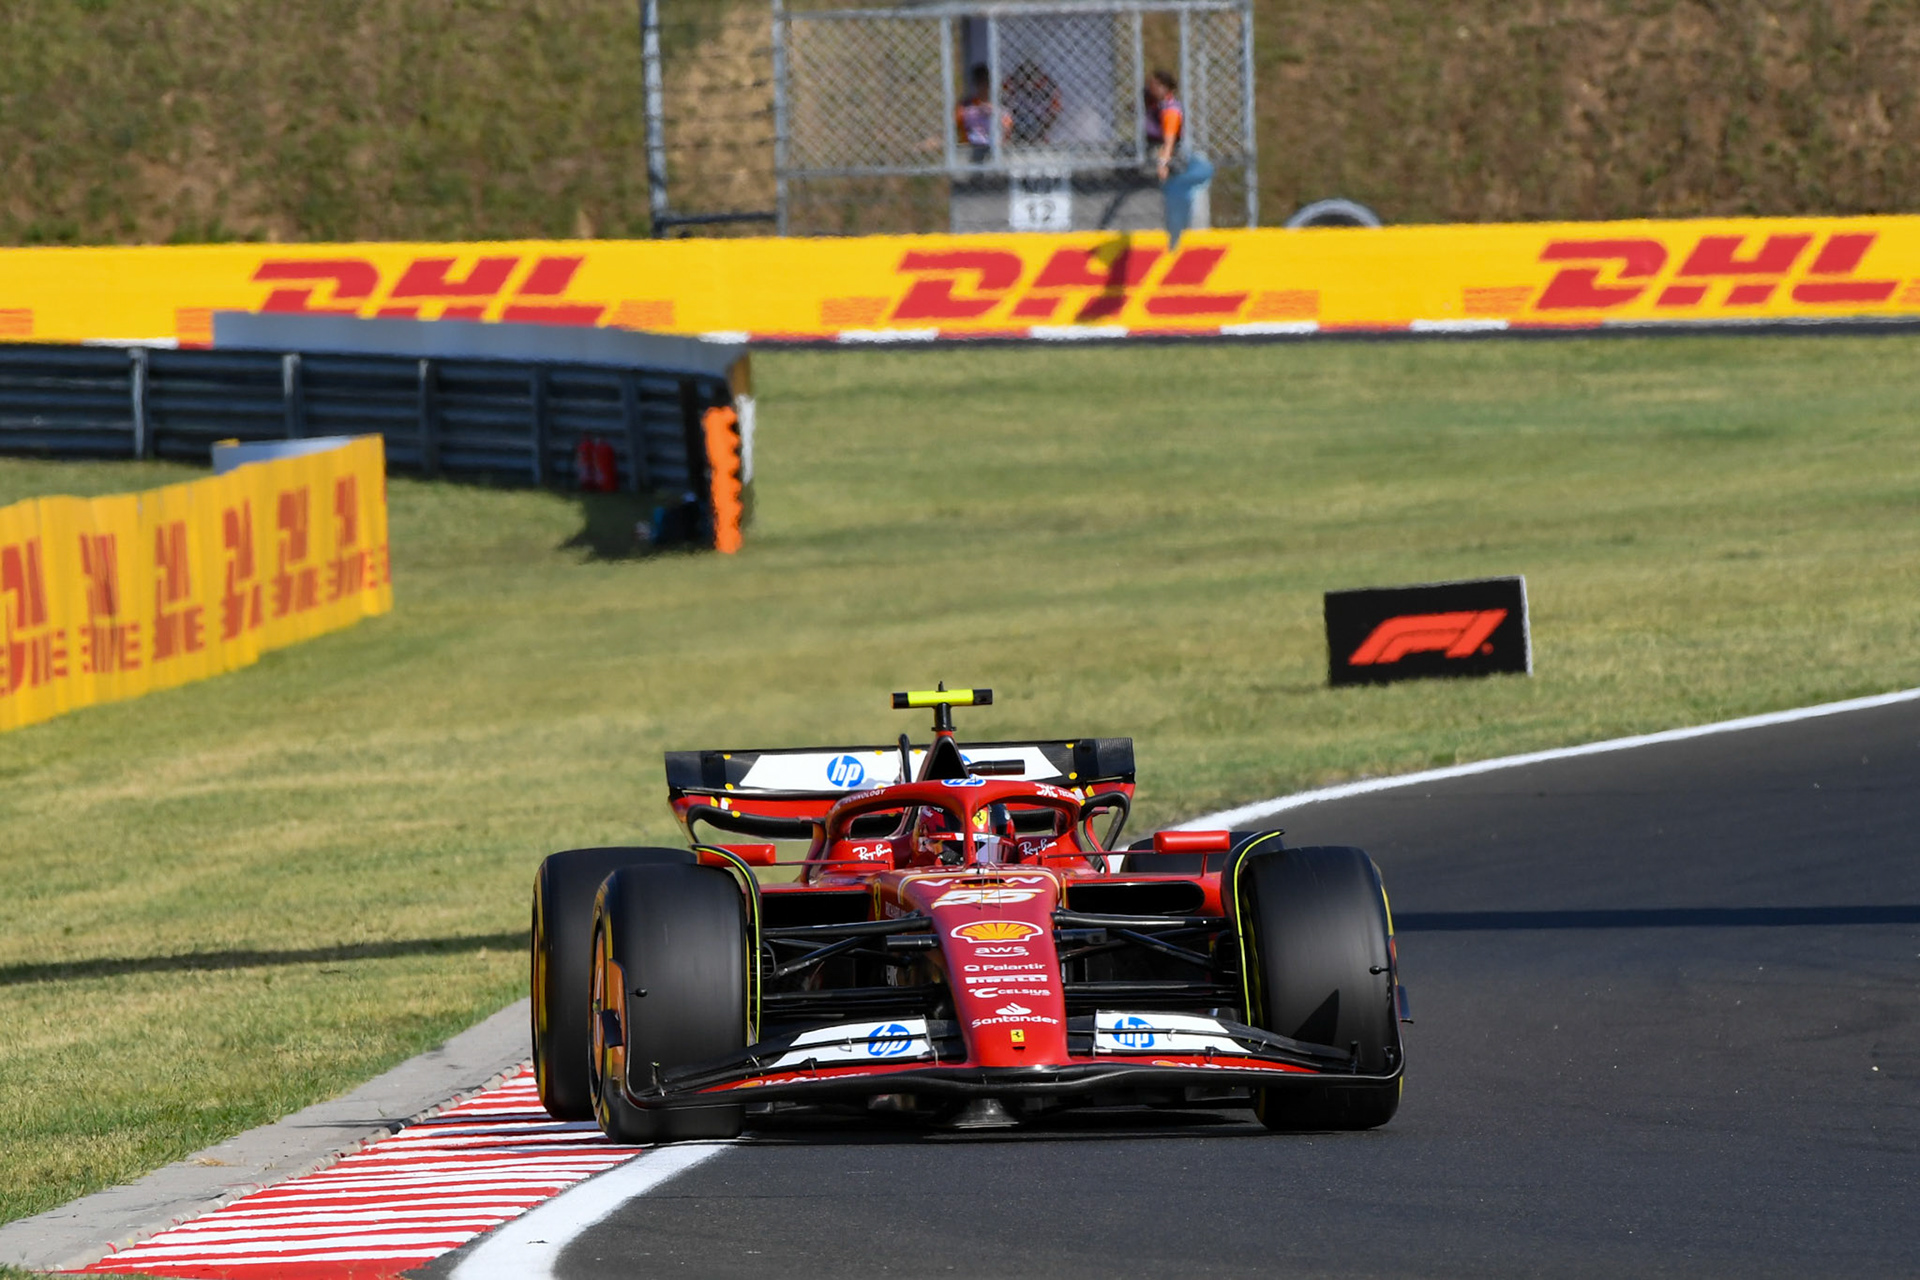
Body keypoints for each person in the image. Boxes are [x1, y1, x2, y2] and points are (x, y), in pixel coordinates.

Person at [1145, 69, 1213, 249]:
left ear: (1164, 87)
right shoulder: (1157, 106)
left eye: (1155, 85)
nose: (1150, 89)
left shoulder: (1170, 110)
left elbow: (1169, 141)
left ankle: (1177, 241)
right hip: (1174, 158)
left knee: (1177, 200)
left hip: (1179, 161)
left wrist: (1162, 163)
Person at [954, 63, 1009, 163]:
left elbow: (1007, 128)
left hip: (994, 147)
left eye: (986, 82)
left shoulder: (1000, 107)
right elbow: (956, 126)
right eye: (980, 82)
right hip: (971, 147)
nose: (983, 86)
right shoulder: (966, 106)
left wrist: (994, 113)